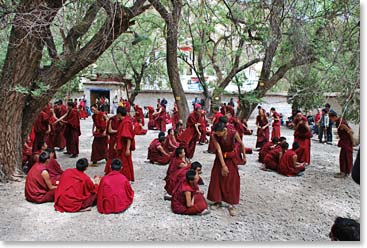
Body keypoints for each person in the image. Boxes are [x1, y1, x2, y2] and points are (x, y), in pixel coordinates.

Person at [207, 121, 247, 216]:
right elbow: (219, 150)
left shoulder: (233, 133)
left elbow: (241, 144)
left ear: (224, 130)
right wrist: (223, 165)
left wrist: (244, 156)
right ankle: (217, 201)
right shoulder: (214, 135)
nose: (218, 135)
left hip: (230, 158)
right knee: (216, 178)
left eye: (219, 133)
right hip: (220, 158)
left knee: (232, 179)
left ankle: (231, 203)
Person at [328, 111, 354, 178]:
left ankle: (345, 172)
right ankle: (343, 171)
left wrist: (353, 142)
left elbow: (350, 132)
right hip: (344, 141)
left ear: (333, 117)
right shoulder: (338, 122)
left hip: (347, 142)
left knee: (346, 157)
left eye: (330, 118)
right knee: (342, 157)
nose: (330, 120)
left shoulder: (341, 123)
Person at [116, 107, 135, 181]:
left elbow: (128, 137)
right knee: (125, 162)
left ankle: (126, 178)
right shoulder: (125, 121)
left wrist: (127, 149)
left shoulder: (126, 123)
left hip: (125, 146)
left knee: (125, 163)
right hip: (122, 145)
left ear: (119, 114)